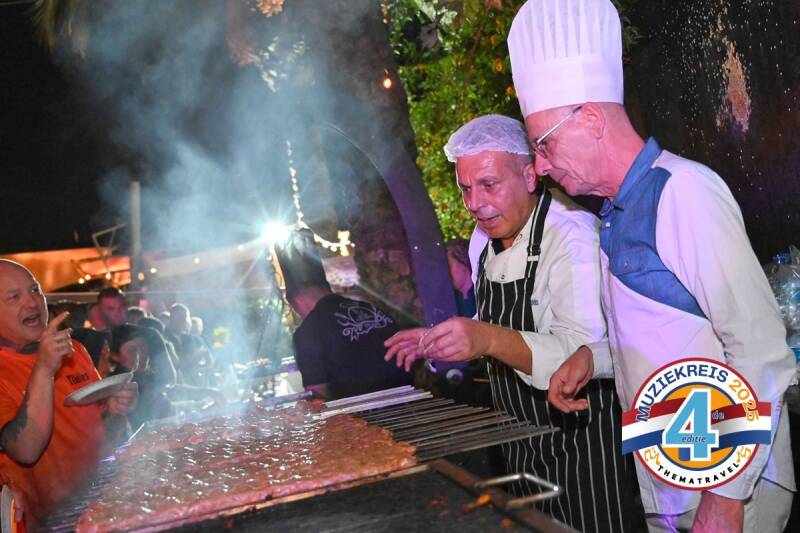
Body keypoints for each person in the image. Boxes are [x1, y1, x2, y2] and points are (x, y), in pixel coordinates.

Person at [507, 1, 796, 531]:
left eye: (542, 146)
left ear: (590, 119)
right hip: (672, 483)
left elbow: (761, 350)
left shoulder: (682, 192)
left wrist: (727, 495)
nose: (541, 167)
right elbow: (666, 338)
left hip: (732, 484)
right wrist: (592, 360)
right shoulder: (612, 215)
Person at [385, 115, 643, 532]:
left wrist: (483, 337)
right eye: (465, 188)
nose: (474, 203)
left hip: (584, 447)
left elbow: (582, 353)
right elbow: (495, 325)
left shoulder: (572, 235)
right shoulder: (480, 240)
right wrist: (450, 338)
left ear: (529, 176)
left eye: (489, 185)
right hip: (520, 443)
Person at [0, 260, 137, 526]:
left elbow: (101, 430)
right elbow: (25, 450)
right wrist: (44, 368)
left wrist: (117, 407)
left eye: (34, 290)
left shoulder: (74, 348)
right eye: (13, 297)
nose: (32, 302)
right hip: (47, 522)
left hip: (102, 505)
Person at [276, 229, 414, 400]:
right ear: (327, 287)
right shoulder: (370, 308)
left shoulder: (307, 333)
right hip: (411, 402)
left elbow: (319, 397)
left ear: (294, 301)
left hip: (364, 421)